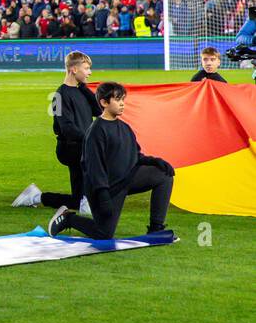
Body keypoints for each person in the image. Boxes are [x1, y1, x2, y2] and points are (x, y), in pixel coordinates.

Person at [49, 82, 175, 240]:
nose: (122, 103)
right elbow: (93, 168)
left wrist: (155, 162)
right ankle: (68, 218)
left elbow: (135, 156)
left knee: (164, 176)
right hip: (106, 189)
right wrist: (103, 196)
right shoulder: (96, 131)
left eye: (123, 99)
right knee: (104, 234)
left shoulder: (125, 128)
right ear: (104, 103)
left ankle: (156, 229)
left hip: (126, 179)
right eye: (117, 100)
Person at [13, 51, 95, 211]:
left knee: (78, 200)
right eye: (86, 68)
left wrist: (84, 88)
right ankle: (88, 201)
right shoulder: (59, 95)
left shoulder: (80, 91)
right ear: (74, 69)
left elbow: (99, 110)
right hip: (72, 148)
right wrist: (91, 139)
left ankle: (37, 197)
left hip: (82, 146)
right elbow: (67, 128)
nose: (90, 72)